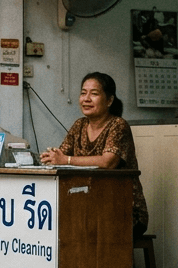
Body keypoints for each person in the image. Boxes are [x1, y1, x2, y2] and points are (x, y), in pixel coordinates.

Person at [39, 72, 148, 238]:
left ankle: (100, 265)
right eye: (83, 93)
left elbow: (108, 162)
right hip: (87, 205)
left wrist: (66, 160)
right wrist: (53, 157)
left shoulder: (118, 125)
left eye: (94, 94)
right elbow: (61, 156)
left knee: (78, 227)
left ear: (109, 100)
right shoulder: (79, 125)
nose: (86, 99)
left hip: (124, 209)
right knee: (51, 222)